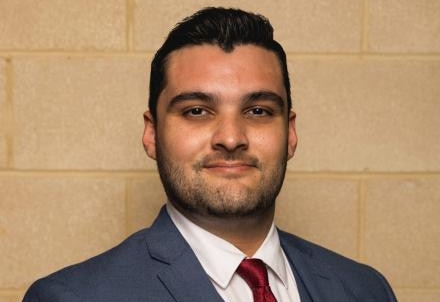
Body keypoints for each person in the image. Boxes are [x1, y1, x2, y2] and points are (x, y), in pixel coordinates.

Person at [23, 7, 396, 302]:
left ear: (291, 133)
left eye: (258, 111)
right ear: (152, 134)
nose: (231, 138)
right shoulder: (73, 297)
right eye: (197, 111)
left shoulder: (365, 289)